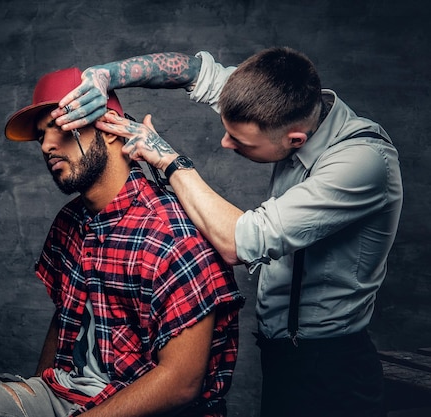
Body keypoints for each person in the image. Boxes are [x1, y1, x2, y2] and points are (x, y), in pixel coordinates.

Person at [52, 47, 403, 417]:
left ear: (296, 140)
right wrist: (105, 75)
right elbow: (191, 70)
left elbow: (240, 241)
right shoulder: (270, 98)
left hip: (333, 365)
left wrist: (170, 161)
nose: (225, 143)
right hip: (280, 354)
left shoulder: (363, 163)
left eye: (241, 142)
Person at [0, 67, 243, 417]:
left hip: (144, 406)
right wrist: (33, 394)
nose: (47, 146)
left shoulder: (172, 233)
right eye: (41, 136)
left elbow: (182, 382)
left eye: (61, 126)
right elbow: (67, 314)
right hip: (69, 392)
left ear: (109, 129)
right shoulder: (70, 221)